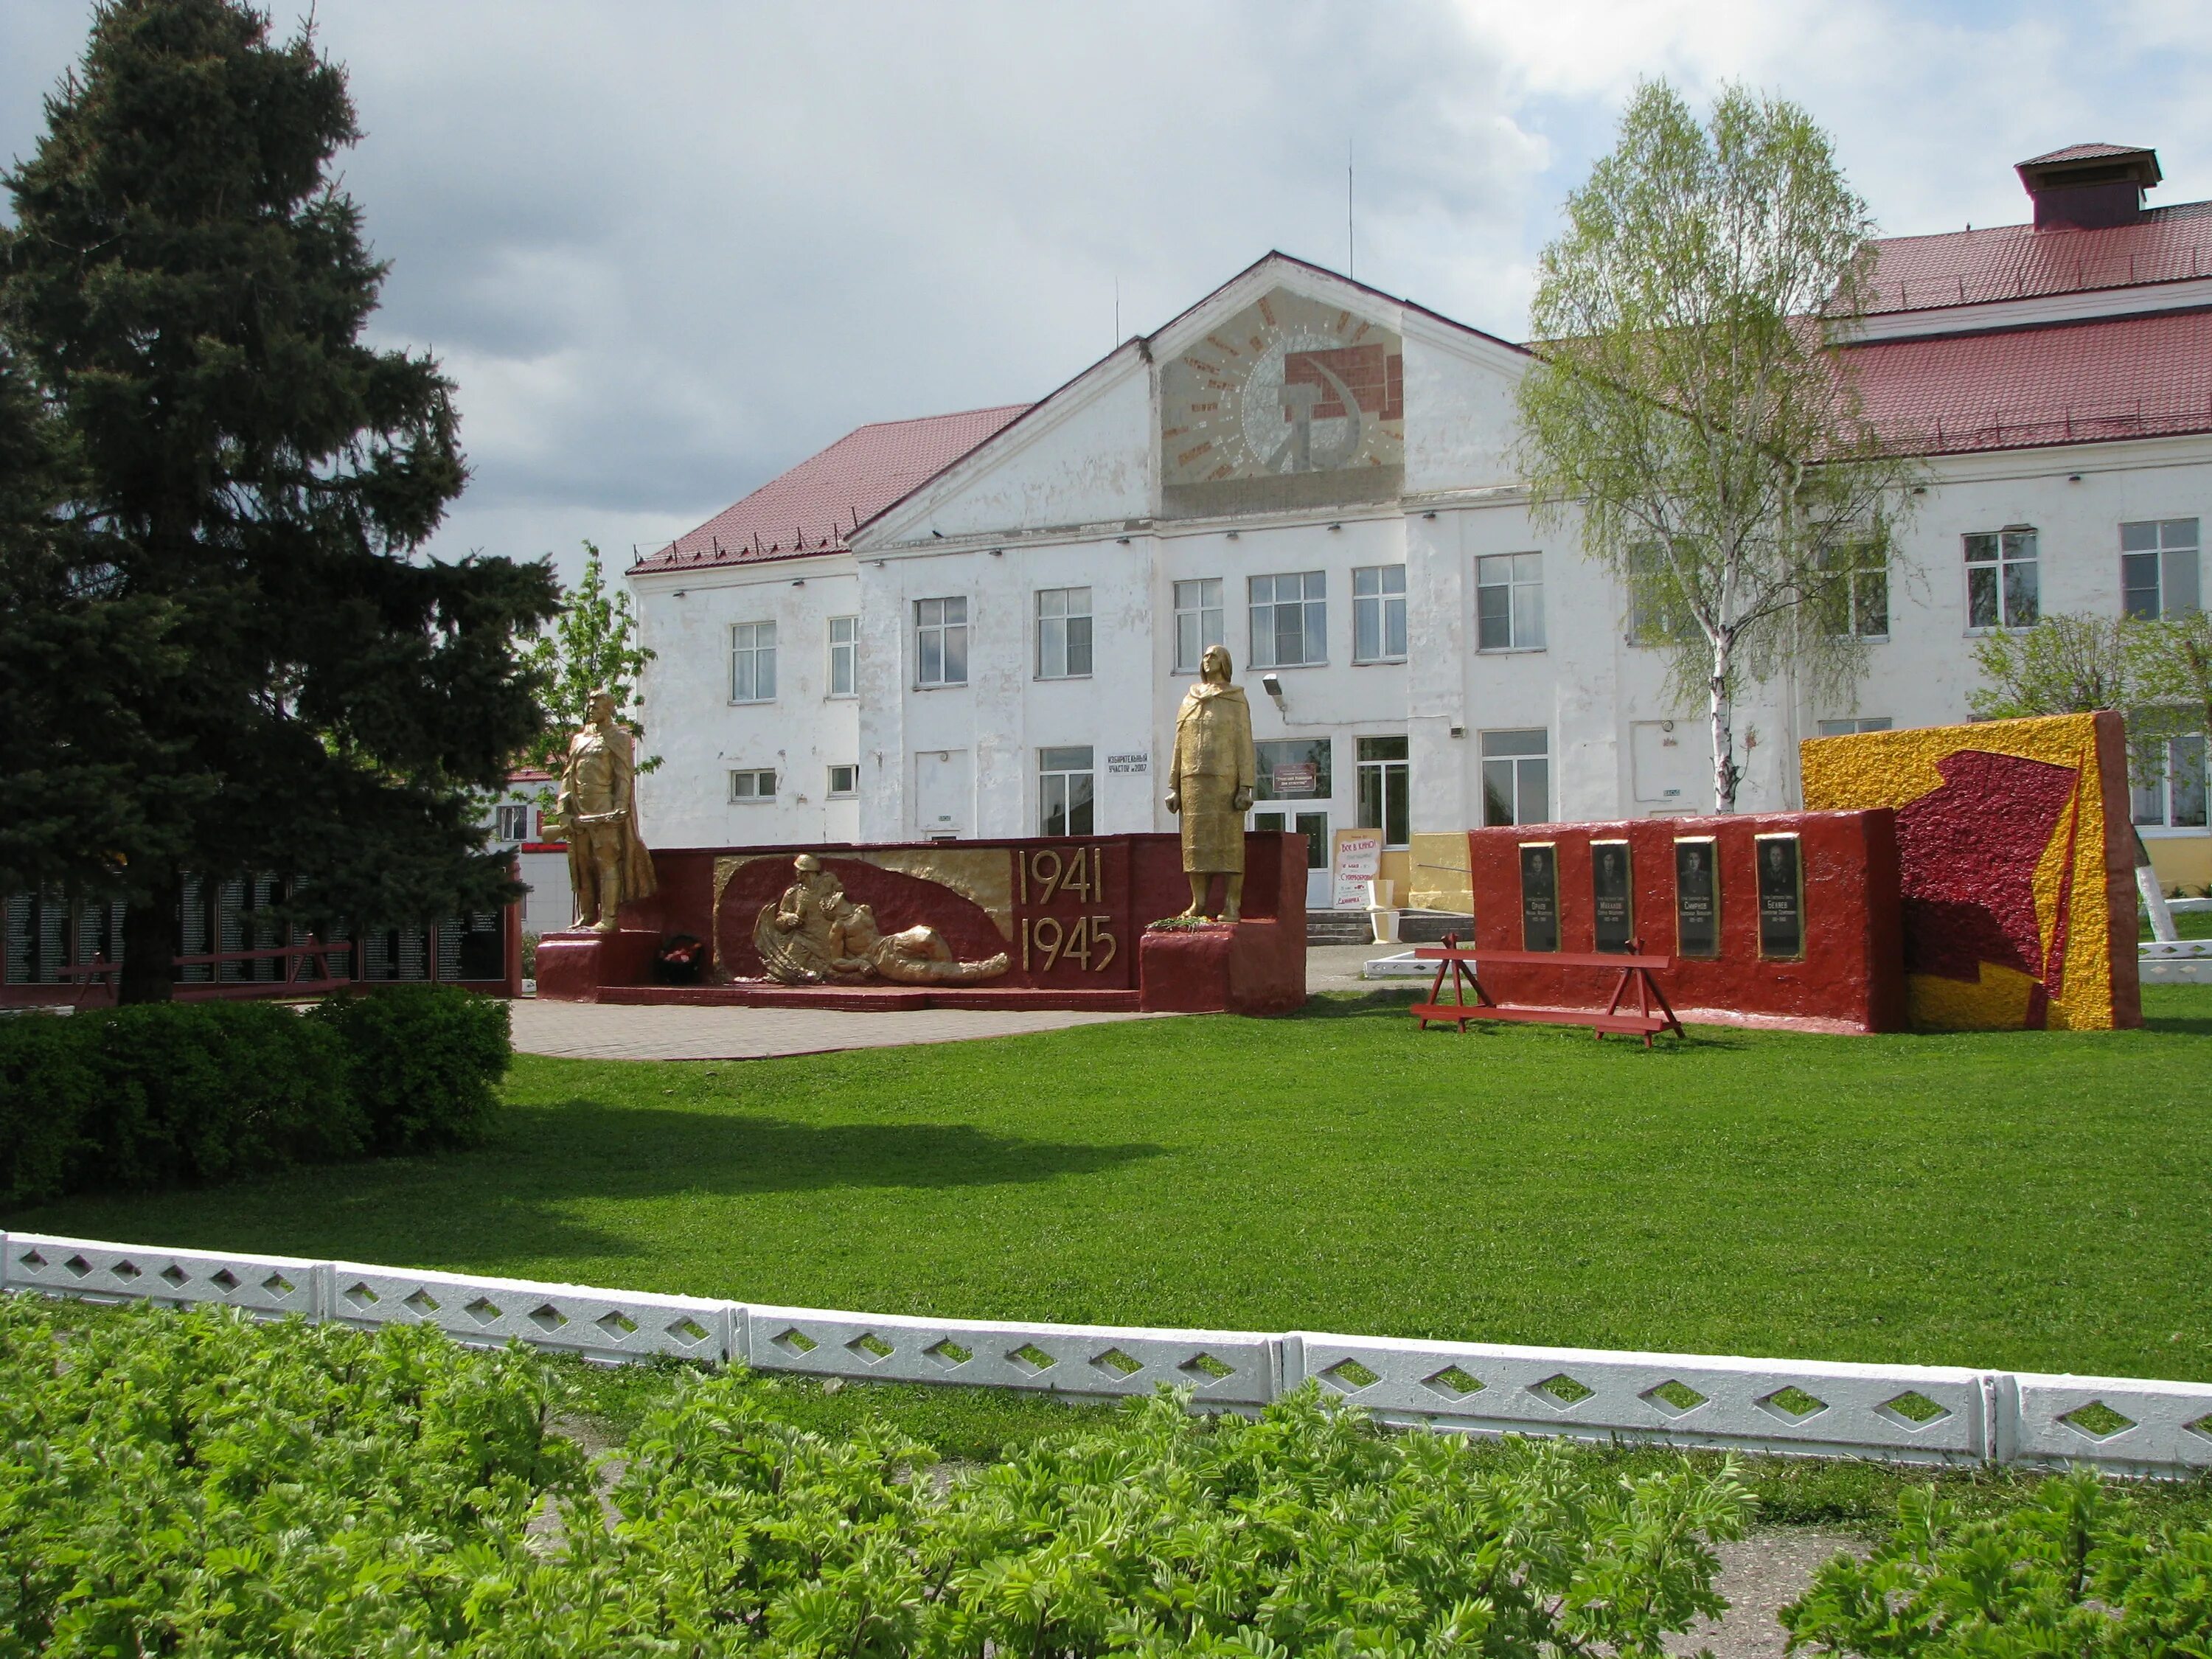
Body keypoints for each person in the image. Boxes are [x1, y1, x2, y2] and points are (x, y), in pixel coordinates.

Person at [756, 854, 1008, 985]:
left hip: (886, 943)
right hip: (876, 959)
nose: (836, 895)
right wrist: (788, 919)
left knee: (928, 935)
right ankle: (978, 970)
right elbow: (836, 960)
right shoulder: (836, 926)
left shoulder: (858, 907)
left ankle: (949, 975)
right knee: (932, 971)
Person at [1166, 643, 1259, 922]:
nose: (1208, 660)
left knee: (1229, 847)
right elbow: (1179, 744)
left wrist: (1246, 786)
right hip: (1193, 783)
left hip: (1224, 782)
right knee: (1195, 847)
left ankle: (1232, 905)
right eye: (1205, 656)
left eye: (1214, 656)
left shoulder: (1235, 699)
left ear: (1225, 662)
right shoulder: (1189, 699)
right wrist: (1174, 787)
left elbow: (1244, 742)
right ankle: (1199, 903)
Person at [556, 689, 657, 932]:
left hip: (604, 810)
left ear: (610, 708)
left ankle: (609, 919)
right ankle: (587, 915)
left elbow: (624, 775)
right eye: (590, 704)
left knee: (606, 861)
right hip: (579, 810)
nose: (592, 708)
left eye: (597, 704)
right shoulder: (579, 739)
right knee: (582, 864)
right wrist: (563, 810)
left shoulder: (618, 738)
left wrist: (621, 806)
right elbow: (568, 775)